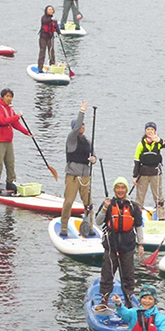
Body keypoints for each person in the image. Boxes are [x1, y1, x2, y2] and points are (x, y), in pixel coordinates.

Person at [94, 177, 144, 310]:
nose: (120, 190)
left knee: (128, 274)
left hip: (127, 246)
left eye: (123, 188)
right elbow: (98, 222)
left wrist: (141, 245)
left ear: (126, 190)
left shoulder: (133, 207)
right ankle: (104, 300)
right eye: (118, 187)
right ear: (114, 189)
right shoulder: (108, 204)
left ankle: (128, 300)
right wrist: (104, 208)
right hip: (111, 245)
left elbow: (139, 226)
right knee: (107, 274)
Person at [60, 101, 95, 236]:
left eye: (83, 126)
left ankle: (89, 226)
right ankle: (64, 227)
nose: (81, 128)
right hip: (73, 177)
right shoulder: (71, 139)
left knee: (88, 203)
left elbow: (94, 156)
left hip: (85, 177)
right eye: (79, 126)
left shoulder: (88, 141)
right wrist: (82, 111)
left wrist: (94, 160)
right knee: (68, 202)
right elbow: (76, 128)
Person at [0, 88, 31, 194]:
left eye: (10, 97)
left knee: (10, 162)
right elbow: (2, 121)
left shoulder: (10, 109)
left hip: (8, 141)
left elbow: (15, 123)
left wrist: (26, 132)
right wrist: (17, 116)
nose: (9, 98)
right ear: (2, 97)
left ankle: (10, 182)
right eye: (7, 96)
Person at [133, 122, 165, 219]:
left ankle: (161, 217)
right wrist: (135, 176)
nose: (150, 131)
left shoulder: (158, 143)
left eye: (152, 130)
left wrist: (159, 140)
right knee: (140, 198)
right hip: (143, 174)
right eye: (148, 129)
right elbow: (136, 161)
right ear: (145, 131)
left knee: (158, 197)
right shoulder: (141, 144)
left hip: (155, 173)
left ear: (155, 131)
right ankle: (137, 218)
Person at [37, 5, 60, 73]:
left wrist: (59, 33)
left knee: (51, 52)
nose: (50, 11)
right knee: (42, 52)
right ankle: (40, 68)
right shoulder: (44, 18)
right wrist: (51, 19)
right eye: (49, 10)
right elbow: (46, 21)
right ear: (46, 11)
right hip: (43, 38)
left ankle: (52, 66)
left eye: (51, 10)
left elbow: (56, 27)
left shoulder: (54, 19)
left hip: (51, 38)